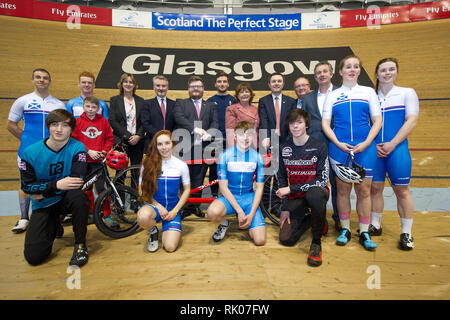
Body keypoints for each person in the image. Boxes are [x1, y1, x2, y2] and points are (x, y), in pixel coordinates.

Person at [322, 55, 382, 251]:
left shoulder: (368, 92)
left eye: (356, 66)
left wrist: (366, 143)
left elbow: (377, 121)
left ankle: (364, 231)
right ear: (340, 71)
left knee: (364, 190)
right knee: (342, 190)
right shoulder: (332, 94)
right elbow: (325, 124)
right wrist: (338, 143)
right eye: (348, 66)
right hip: (340, 149)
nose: (352, 69)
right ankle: (345, 229)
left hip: (365, 148)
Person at [20, 109, 90, 267]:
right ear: (48, 127)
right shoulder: (30, 153)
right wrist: (56, 185)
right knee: (34, 257)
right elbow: (27, 187)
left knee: (79, 198)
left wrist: (43, 191)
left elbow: (76, 182)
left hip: (63, 199)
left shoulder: (78, 148)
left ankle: (80, 244)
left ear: (71, 129)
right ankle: (55, 223)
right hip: (44, 204)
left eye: (65, 125)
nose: (59, 129)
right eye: (55, 124)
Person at [7, 68, 66, 233]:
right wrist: (27, 140)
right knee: (26, 183)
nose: (42, 80)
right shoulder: (23, 101)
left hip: (51, 151)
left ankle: (53, 218)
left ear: (49, 81)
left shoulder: (58, 104)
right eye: (38, 77)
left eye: (45, 78)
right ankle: (24, 217)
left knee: (51, 182)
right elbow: (10, 125)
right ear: (32, 80)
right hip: (28, 151)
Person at [370, 58, 419, 250]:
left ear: (396, 72)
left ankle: (406, 233)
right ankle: (375, 224)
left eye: (391, 69)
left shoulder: (407, 93)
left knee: (402, 191)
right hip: (374, 150)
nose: (387, 73)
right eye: (383, 70)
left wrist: (392, 144)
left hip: (396, 149)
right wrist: (372, 145)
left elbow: (412, 121)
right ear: (377, 74)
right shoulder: (371, 95)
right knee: (374, 188)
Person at [276, 109, 329, 267]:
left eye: (299, 122)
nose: (295, 126)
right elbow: (281, 179)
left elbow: (322, 180)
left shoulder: (319, 146)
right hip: (296, 197)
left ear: (306, 125)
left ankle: (316, 243)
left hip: (315, 193)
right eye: (292, 123)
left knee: (315, 196)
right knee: (286, 239)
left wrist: (292, 189)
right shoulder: (283, 148)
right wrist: (284, 208)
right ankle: (314, 219)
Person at [206, 121, 266, 246]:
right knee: (211, 213)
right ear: (234, 136)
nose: (245, 138)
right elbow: (222, 187)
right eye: (241, 134)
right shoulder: (225, 155)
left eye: (249, 134)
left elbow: (260, 188)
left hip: (248, 199)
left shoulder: (257, 157)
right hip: (229, 198)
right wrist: (239, 211)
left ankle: (248, 222)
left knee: (260, 241)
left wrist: (251, 214)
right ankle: (224, 223)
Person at [137, 130, 191, 252]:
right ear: (155, 146)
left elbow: (187, 190)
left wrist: (175, 210)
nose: (164, 147)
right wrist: (158, 206)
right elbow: (142, 190)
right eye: (160, 144)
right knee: (143, 217)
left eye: (167, 143)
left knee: (170, 247)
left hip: (172, 209)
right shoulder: (147, 163)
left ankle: (168, 226)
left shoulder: (181, 165)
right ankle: (153, 231)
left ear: (172, 144)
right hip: (155, 207)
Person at [173, 75, 219, 217]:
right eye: (193, 86)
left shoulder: (210, 106)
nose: (196, 89)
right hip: (185, 148)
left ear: (203, 89)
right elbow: (179, 118)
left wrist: (209, 134)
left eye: (198, 86)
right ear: (188, 89)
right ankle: (185, 207)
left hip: (204, 147)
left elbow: (215, 123)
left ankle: (195, 206)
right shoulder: (181, 103)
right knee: (184, 179)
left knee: (199, 178)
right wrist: (195, 129)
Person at [302, 61, 340, 232]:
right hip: (315, 148)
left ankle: (340, 218)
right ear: (315, 77)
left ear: (332, 74)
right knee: (317, 187)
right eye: (318, 72)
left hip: (338, 145)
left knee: (338, 184)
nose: (322, 74)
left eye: (325, 71)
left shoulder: (341, 94)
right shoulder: (308, 98)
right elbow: (305, 123)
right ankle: (320, 219)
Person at [71, 96, 116, 228]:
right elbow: (74, 141)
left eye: (93, 107)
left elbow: (109, 139)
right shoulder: (77, 122)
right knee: (86, 189)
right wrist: (87, 151)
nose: (90, 109)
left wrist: (104, 151)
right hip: (83, 161)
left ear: (98, 108)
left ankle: (107, 215)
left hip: (99, 162)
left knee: (102, 188)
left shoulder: (103, 122)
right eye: (88, 106)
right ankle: (89, 214)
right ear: (83, 107)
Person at [109, 73, 145, 189]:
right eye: (126, 82)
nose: (128, 84)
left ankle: (135, 200)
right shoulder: (115, 100)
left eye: (131, 82)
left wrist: (138, 135)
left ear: (134, 85)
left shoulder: (140, 101)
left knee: (136, 172)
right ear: (121, 84)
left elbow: (144, 121)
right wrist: (129, 136)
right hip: (122, 141)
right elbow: (113, 121)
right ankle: (119, 201)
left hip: (138, 142)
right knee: (120, 173)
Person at [207, 72, 235, 197]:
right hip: (215, 140)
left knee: (230, 169)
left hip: (230, 141)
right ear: (215, 84)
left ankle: (228, 195)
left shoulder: (234, 100)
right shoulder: (210, 101)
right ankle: (214, 195)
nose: (222, 84)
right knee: (214, 168)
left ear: (228, 83)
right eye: (219, 81)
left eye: (224, 81)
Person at [258, 72, 296, 149]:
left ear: (283, 84)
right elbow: (263, 120)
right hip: (269, 139)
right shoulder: (263, 101)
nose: (276, 83)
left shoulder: (291, 101)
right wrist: (266, 137)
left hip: (288, 138)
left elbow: (292, 121)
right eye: (273, 81)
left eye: (279, 81)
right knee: (272, 161)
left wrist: (291, 138)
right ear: (269, 84)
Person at [141, 75, 176, 153]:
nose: (161, 88)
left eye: (163, 86)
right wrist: (159, 136)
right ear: (154, 87)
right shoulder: (147, 104)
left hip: (170, 143)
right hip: (152, 143)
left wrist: (168, 137)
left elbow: (176, 123)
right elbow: (145, 123)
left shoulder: (174, 104)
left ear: (167, 87)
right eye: (158, 86)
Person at [225, 82, 259, 149]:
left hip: (255, 145)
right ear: (237, 95)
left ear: (251, 94)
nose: (244, 94)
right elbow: (230, 132)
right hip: (240, 145)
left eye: (247, 92)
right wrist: (233, 149)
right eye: (241, 92)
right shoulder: (232, 109)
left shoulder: (256, 109)